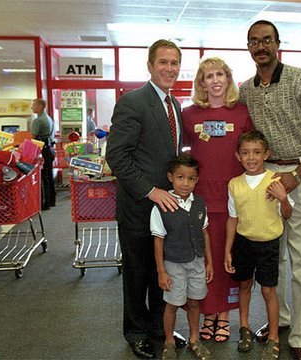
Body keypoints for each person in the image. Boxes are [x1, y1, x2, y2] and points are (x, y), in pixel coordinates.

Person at [239, 20, 301, 360]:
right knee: (272, 256)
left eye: (267, 40)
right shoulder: (247, 89)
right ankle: (279, 320)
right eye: (254, 41)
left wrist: (297, 173)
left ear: (278, 43)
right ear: (249, 47)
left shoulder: (299, 79)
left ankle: (300, 336)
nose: (261, 46)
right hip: (267, 178)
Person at [105, 39, 186, 359]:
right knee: (138, 274)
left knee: (159, 273)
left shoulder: (175, 105)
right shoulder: (133, 102)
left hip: (166, 209)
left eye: (175, 63)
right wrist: (150, 190)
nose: (169, 68)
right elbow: (117, 156)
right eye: (163, 62)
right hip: (139, 206)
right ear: (150, 66)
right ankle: (136, 333)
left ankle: (157, 327)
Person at [182, 57, 253, 342]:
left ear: (228, 78)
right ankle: (207, 313)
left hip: (233, 198)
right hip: (200, 199)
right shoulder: (189, 115)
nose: (215, 80)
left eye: (220, 74)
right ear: (201, 82)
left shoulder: (243, 114)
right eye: (209, 76)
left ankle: (223, 314)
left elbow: (251, 153)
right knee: (202, 259)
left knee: (228, 258)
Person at [224, 130, 292, 360]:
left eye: (256, 152)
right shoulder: (234, 184)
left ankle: (273, 337)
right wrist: (227, 250)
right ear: (238, 156)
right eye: (245, 153)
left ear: (266, 154)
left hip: (269, 243)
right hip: (243, 243)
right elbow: (232, 218)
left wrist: (283, 198)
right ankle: (244, 327)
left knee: (268, 290)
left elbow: (288, 214)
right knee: (244, 285)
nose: (251, 158)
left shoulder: (275, 180)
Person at [151, 154, 214, 360]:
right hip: (173, 265)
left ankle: (194, 339)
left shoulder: (200, 204)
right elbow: (158, 240)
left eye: (191, 178)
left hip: (197, 262)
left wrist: (209, 263)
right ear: (171, 177)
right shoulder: (161, 206)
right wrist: (161, 272)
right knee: (173, 304)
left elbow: (204, 234)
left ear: (197, 180)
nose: (185, 183)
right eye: (180, 177)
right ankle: (169, 342)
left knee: (195, 302)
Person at [31, 98, 56, 211]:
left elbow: (33, 138)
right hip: (50, 149)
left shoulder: (38, 121)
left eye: (34, 105)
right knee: (49, 176)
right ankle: (51, 200)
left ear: (41, 106)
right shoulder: (49, 119)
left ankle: (44, 203)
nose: (32, 107)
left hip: (43, 151)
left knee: (43, 177)